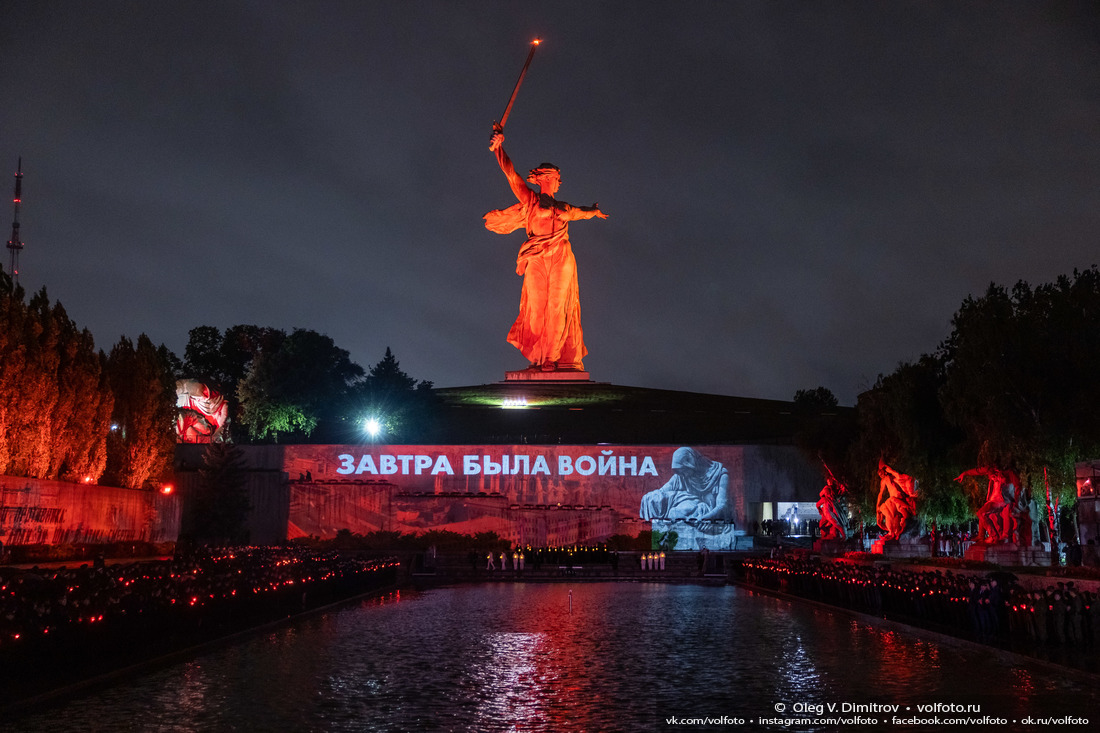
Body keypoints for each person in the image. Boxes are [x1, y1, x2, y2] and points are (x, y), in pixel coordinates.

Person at [485, 125, 607, 371]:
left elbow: (581, 213)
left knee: (557, 306)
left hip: (561, 255)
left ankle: (550, 358)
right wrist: (499, 148)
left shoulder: (563, 207)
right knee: (537, 309)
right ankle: (538, 358)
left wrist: (594, 211)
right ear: (540, 178)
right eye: (548, 176)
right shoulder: (529, 201)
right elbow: (511, 175)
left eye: (555, 178)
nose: (553, 181)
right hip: (537, 257)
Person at [640, 447, 731, 522]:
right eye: (679, 472)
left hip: (706, 514)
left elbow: (722, 505)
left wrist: (705, 518)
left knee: (675, 512)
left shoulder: (720, 474)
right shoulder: (680, 476)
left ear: (691, 464)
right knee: (654, 499)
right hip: (691, 512)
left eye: (683, 471)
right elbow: (662, 492)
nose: (682, 475)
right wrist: (649, 498)